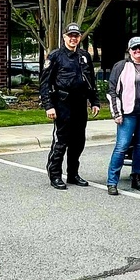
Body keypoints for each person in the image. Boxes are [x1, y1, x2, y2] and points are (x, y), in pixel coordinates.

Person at [39, 22, 100, 190]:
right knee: (61, 141)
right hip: (62, 104)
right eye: (71, 36)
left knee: (78, 142)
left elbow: (90, 81)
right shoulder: (55, 56)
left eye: (76, 36)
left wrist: (94, 101)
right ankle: (55, 175)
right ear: (64, 37)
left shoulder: (84, 56)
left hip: (80, 103)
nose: (74, 39)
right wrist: (48, 105)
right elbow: (45, 83)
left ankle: (73, 174)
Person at [106, 36, 140, 196]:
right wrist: (116, 113)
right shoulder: (121, 66)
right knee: (122, 146)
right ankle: (112, 182)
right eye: (134, 48)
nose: (138, 51)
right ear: (129, 50)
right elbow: (112, 91)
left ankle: (137, 178)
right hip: (127, 114)